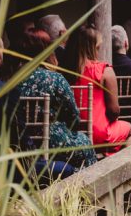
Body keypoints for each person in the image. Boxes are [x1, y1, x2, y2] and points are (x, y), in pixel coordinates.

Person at [17, 29, 96, 174]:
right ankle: (86, 187)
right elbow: (74, 116)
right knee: (85, 144)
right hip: (54, 140)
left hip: (22, 143)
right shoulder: (54, 79)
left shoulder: (12, 79)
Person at [74, 26, 131, 153]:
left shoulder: (64, 71)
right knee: (130, 129)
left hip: (72, 133)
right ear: (94, 47)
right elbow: (114, 111)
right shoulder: (104, 70)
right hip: (99, 134)